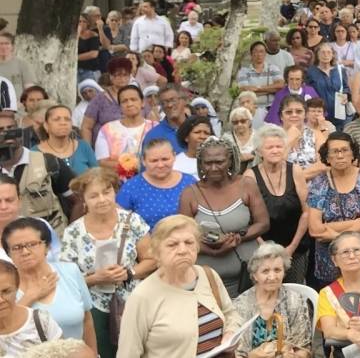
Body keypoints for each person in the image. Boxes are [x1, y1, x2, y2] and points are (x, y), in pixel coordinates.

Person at [59, 168, 154, 358]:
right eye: (94, 195)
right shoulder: (73, 233)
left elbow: (152, 260)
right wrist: (95, 278)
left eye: (107, 192)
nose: (102, 199)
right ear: (83, 199)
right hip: (94, 307)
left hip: (133, 301)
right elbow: (67, 281)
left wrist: (129, 273)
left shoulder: (132, 221)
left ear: (114, 192)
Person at [116, 215, 240, 358]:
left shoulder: (208, 275)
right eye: (172, 245)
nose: (182, 250)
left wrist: (231, 333)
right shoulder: (142, 297)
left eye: (189, 242)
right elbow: (128, 354)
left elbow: (230, 313)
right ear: (156, 252)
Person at [179, 137, 270, 298]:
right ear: (200, 164)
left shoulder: (246, 185)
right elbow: (183, 236)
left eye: (219, 162)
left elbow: (263, 223)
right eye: (208, 163)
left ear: (230, 160)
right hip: (206, 282)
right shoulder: (190, 193)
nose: (213, 168)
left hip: (247, 279)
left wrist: (237, 237)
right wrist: (214, 252)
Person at [2, 217, 96, 348]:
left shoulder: (70, 271)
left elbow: (87, 320)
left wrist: (92, 354)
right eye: (17, 247)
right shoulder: (5, 285)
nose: (25, 252)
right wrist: (30, 297)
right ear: (8, 253)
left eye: (32, 244)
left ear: (47, 246)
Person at [306, 133, 360, 289]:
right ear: (327, 156)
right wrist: (356, 224)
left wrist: (333, 231)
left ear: (353, 153)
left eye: (344, 150)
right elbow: (315, 229)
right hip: (330, 260)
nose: (340, 156)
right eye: (334, 151)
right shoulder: (319, 183)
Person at [245, 125, 310, 284]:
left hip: (295, 247)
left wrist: (291, 247)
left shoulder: (295, 170)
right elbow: (247, 218)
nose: (275, 150)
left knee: (295, 292)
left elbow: (306, 212)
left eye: (279, 146)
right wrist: (265, 248)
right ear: (260, 151)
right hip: (262, 249)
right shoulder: (250, 175)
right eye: (269, 147)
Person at [231, 241, 312, 358]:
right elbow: (235, 353)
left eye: (277, 270)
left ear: (284, 272)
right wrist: (252, 356)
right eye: (265, 271)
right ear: (254, 275)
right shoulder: (240, 305)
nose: (272, 277)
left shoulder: (294, 300)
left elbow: (303, 347)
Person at [0, 124, 74, 235]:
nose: (7, 135)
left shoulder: (48, 162)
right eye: (0, 130)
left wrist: (70, 234)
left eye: (11, 129)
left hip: (51, 243)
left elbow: (78, 201)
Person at [115, 138, 196, 229]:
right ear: (143, 161)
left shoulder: (189, 182)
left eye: (165, 159)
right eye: (154, 161)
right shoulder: (131, 187)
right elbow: (119, 220)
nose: (160, 165)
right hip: (146, 242)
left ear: (174, 157)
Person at [0, 260, 64, 352]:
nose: (1, 300)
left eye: (6, 291)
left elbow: (63, 354)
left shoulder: (41, 320)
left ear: (17, 288)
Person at [94, 85, 154, 173]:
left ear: (142, 103)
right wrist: (131, 166)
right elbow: (102, 162)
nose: (129, 104)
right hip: (116, 182)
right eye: (124, 101)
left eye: (133, 99)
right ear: (120, 106)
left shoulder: (154, 127)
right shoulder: (107, 129)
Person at [80, 58, 136, 146]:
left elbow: (149, 120)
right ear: (111, 77)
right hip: (104, 149)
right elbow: (86, 127)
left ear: (130, 76)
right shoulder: (99, 99)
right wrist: (88, 152)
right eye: (117, 75)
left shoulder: (136, 96)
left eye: (125, 75)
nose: (122, 78)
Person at [35, 104, 98, 176]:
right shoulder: (35, 153)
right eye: (56, 119)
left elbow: (98, 176)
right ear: (46, 126)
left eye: (67, 119)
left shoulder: (83, 146)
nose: (63, 123)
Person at [238, 42, 285, 123]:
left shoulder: (273, 68)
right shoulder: (244, 71)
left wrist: (258, 88)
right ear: (251, 54)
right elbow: (245, 91)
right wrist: (272, 90)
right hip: (253, 109)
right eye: (256, 51)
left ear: (265, 53)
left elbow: (280, 86)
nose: (259, 54)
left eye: (261, 51)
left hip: (272, 108)